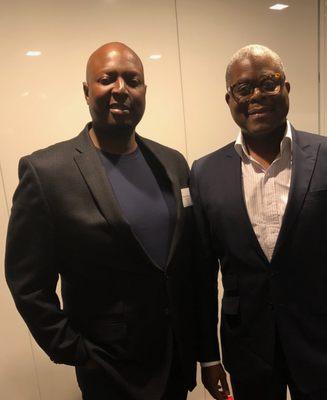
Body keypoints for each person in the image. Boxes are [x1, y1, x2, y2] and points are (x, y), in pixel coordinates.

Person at [5, 42, 197, 400]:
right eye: (107, 79)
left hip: (174, 361)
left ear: (144, 91)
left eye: (133, 80)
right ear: (86, 91)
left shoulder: (173, 164)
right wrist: (74, 351)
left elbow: (183, 266)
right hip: (108, 371)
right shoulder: (47, 172)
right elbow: (27, 283)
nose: (120, 90)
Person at [190, 44, 327, 400]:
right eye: (244, 88)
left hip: (324, 339)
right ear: (229, 100)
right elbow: (202, 274)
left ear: (286, 88)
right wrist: (208, 355)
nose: (257, 95)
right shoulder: (205, 172)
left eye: (268, 83)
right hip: (247, 347)